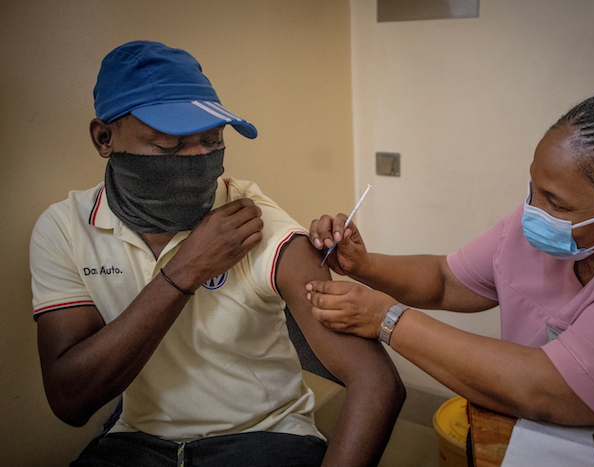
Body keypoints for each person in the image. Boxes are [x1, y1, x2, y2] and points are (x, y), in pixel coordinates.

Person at [30, 40, 404, 466]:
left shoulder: (255, 221)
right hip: (137, 439)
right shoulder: (65, 228)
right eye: (169, 145)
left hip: (264, 435)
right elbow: (70, 400)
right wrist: (184, 270)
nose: (197, 159)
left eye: (211, 140)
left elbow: (376, 382)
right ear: (104, 137)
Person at [306, 44, 594, 429]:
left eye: (555, 203)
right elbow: (446, 280)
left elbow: (549, 390)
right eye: (533, 189)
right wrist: (365, 264)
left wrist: (386, 318)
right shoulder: (548, 220)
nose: (532, 211)